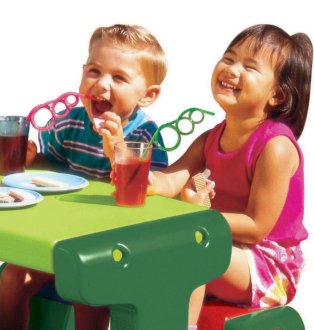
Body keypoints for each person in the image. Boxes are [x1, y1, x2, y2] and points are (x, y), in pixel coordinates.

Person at [0, 24, 168, 330]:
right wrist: (32, 160)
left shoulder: (145, 137)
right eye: (94, 71)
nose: (101, 84)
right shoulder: (69, 124)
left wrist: (116, 149)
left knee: (87, 294)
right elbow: (52, 172)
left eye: (119, 78)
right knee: (12, 276)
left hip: (109, 250)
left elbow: (146, 193)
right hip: (58, 238)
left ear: (148, 95)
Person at [147, 24, 312, 330]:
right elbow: (171, 179)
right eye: (229, 58)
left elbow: (256, 227)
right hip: (220, 244)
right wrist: (143, 181)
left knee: (190, 246)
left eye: (249, 67)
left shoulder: (275, 146)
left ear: (277, 94)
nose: (231, 69)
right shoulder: (210, 138)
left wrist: (199, 218)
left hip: (268, 266)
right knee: (154, 251)